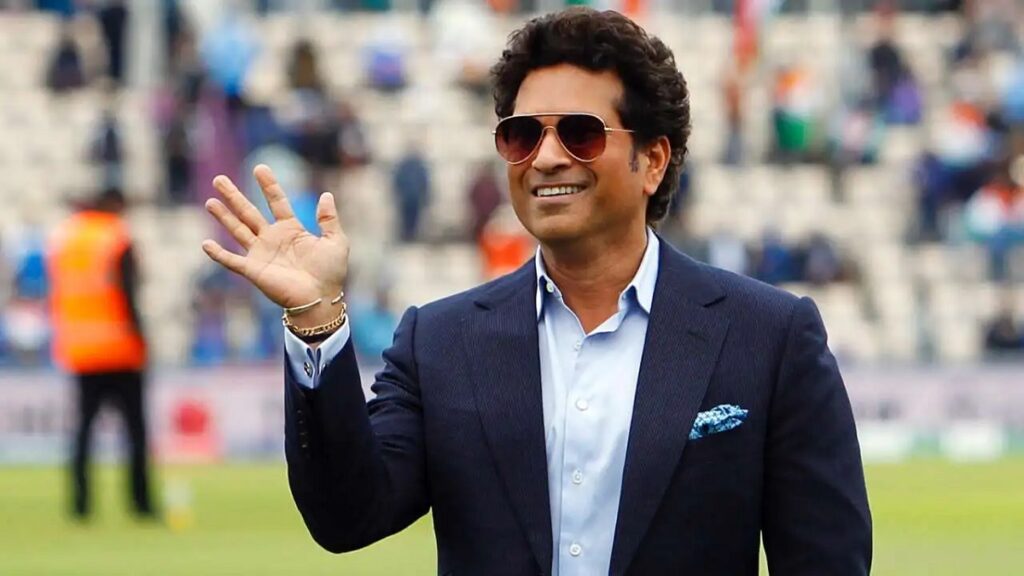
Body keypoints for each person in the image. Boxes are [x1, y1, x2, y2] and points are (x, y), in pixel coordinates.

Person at [201, 8, 871, 575]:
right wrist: (316, 318)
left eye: (580, 133)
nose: (546, 158)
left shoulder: (769, 337)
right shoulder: (440, 342)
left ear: (653, 160)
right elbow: (348, 515)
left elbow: (827, 560)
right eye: (522, 136)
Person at [47, 187, 155, 521]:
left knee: (83, 431)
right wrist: (141, 337)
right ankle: (140, 504)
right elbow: (127, 293)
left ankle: (80, 505)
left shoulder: (67, 239)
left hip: (81, 349)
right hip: (120, 348)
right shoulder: (116, 238)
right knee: (134, 432)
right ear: (115, 205)